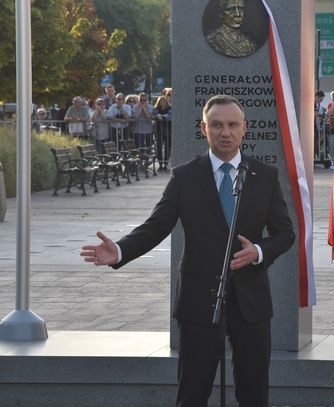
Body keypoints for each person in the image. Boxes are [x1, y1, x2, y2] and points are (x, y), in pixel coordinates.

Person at [80, 95, 295, 407]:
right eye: (217, 125)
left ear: (244, 128)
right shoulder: (185, 176)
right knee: (193, 392)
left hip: (251, 301)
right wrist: (121, 251)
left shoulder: (264, 176)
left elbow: (284, 233)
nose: (226, 132)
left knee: (254, 393)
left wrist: (259, 252)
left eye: (233, 125)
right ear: (203, 128)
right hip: (198, 299)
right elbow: (156, 226)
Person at [152, 95, 172, 171]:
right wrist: (157, 116)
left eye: (164, 101)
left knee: (167, 148)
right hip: (159, 131)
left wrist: (162, 117)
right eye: (161, 101)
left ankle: (166, 163)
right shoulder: (156, 109)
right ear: (159, 102)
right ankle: (160, 163)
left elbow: (170, 116)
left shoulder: (170, 109)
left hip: (168, 131)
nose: (163, 102)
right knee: (159, 148)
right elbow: (153, 115)